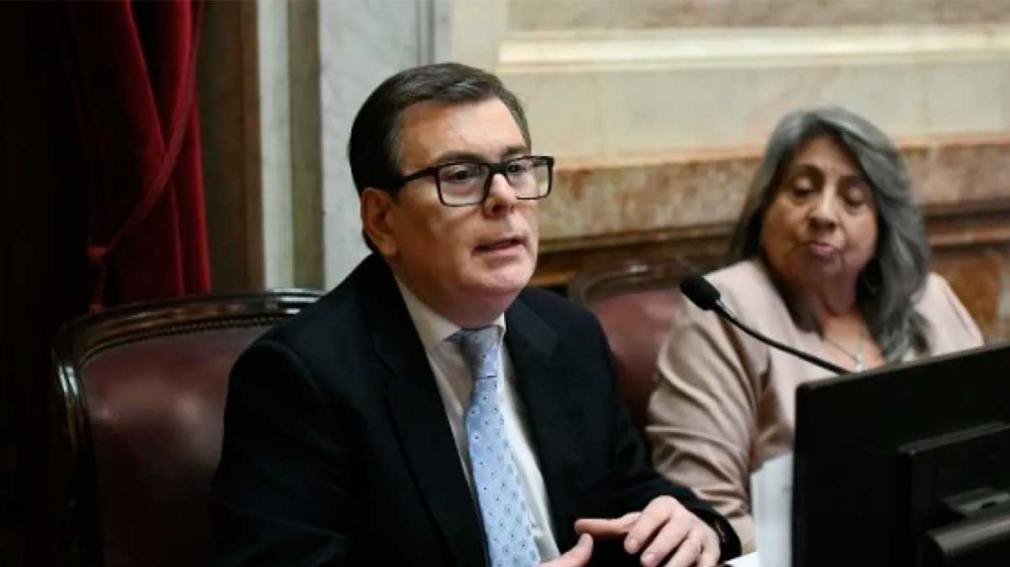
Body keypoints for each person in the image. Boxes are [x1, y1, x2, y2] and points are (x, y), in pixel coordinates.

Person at [211, 62, 740, 567]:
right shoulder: (302, 377)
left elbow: (632, 492)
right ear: (383, 219)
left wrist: (694, 524)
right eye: (461, 175)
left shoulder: (567, 333)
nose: (504, 197)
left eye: (516, 168)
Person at [646, 106, 984, 553]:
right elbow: (705, 512)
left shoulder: (929, 300)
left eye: (853, 199)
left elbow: (989, 458)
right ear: (765, 205)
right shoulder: (725, 311)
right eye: (802, 190)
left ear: (883, 223)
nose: (823, 214)